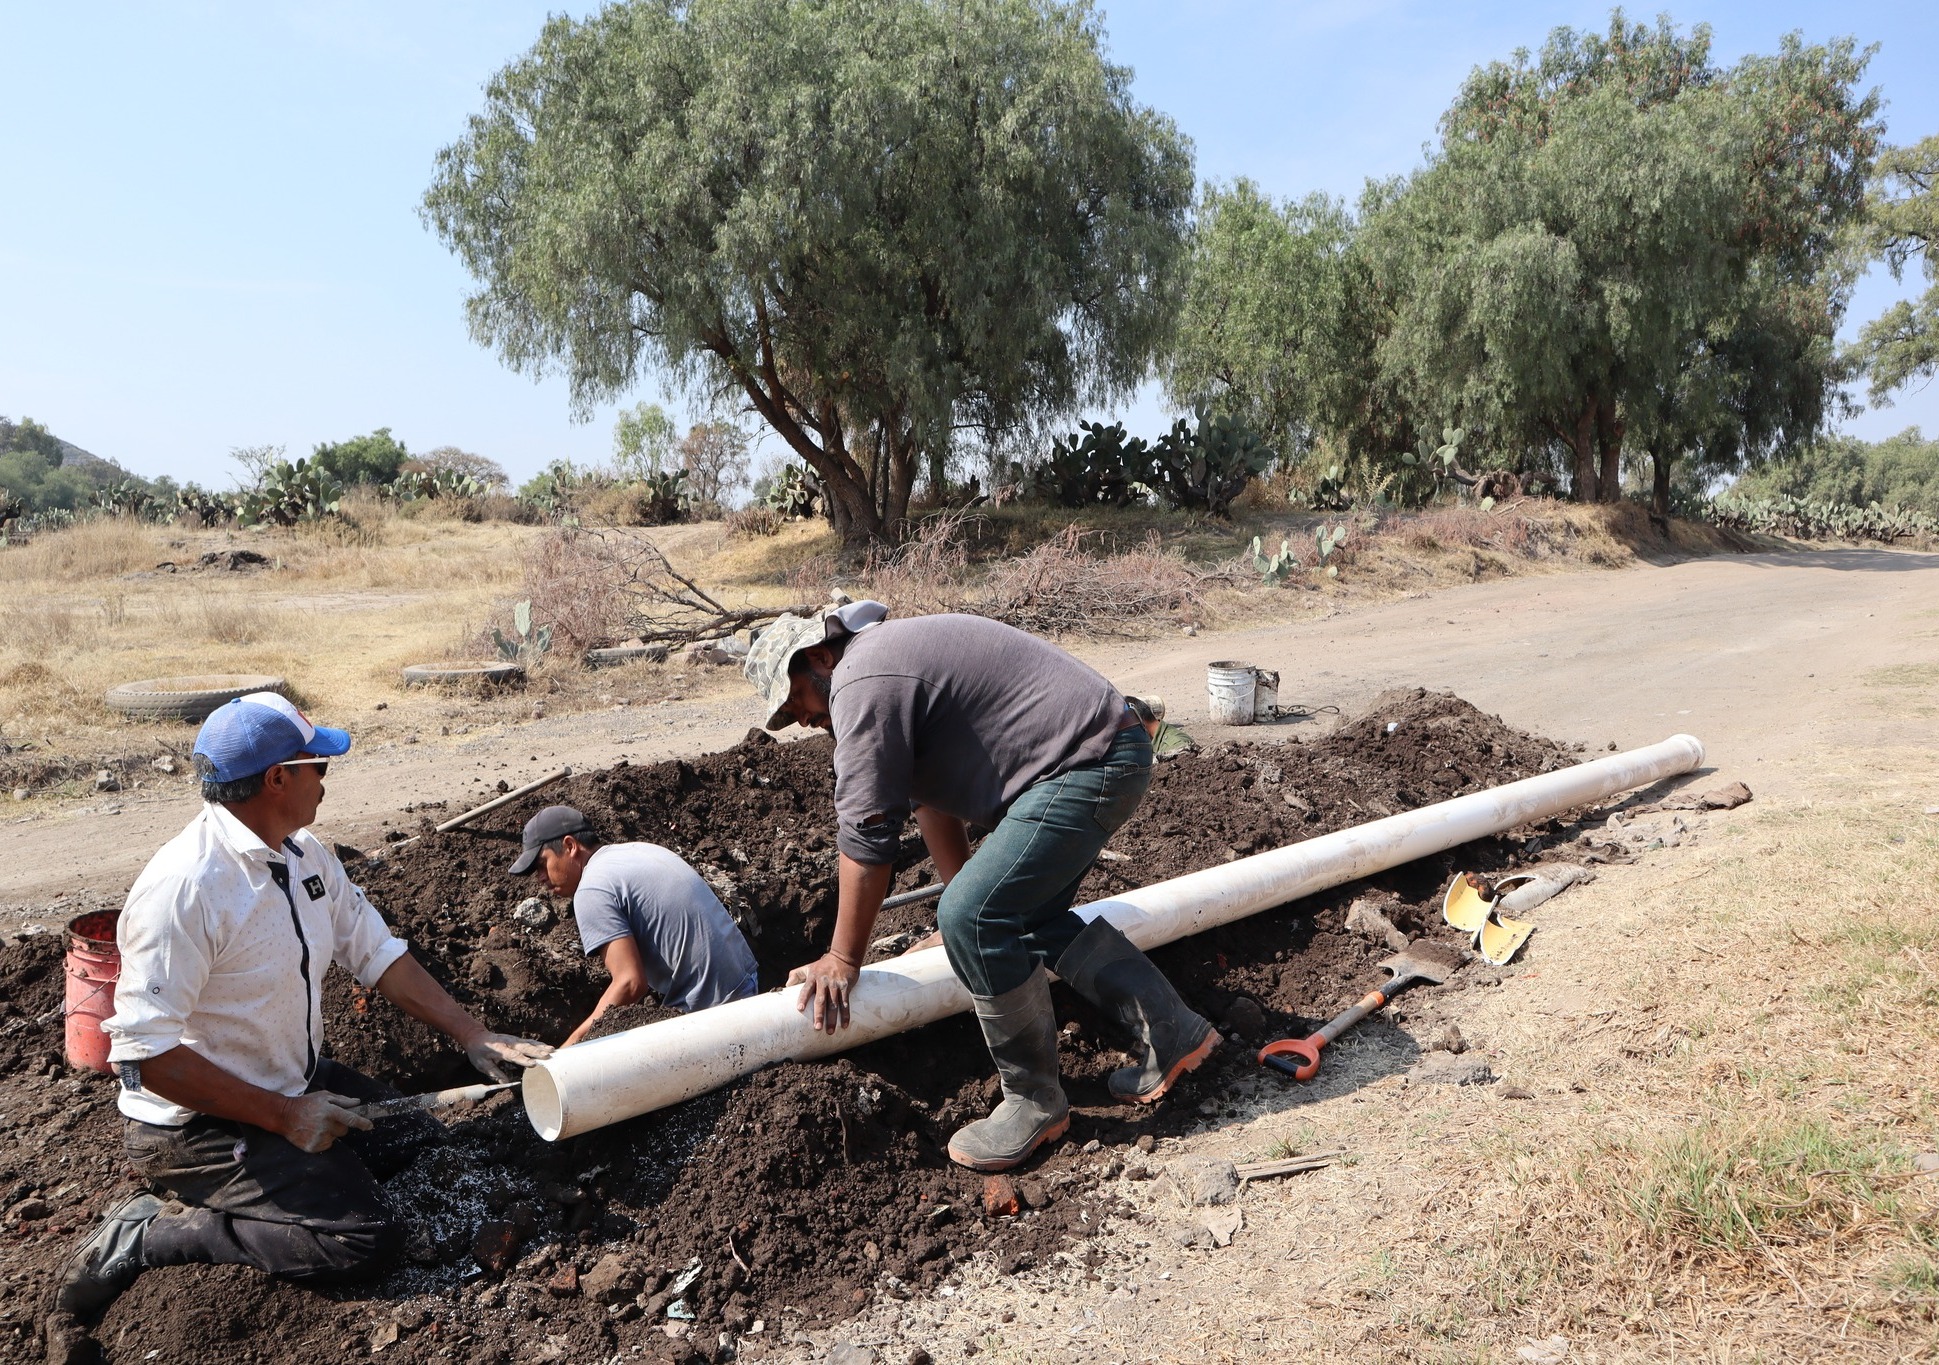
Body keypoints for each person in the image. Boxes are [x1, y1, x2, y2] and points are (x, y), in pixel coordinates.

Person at [49, 693, 553, 1347]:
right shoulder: (187, 888)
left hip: (290, 1077)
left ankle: (281, 1152)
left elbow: (375, 953)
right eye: (319, 764)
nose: (325, 778)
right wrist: (285, 1117)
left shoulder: (306, 857)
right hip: (195, 1126)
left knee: (419, 1143)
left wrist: (471, 1032)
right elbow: (143, 1055)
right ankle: (153, 1230)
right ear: (278, 778)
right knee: (361, 1239)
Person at [743, 603, 1219, 1173]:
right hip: (1103, 752)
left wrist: (843, 959)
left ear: (820, 657)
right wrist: (967, 902)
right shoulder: (885, 668)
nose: (798, 718)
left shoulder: (861, 680)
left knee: (971, 915)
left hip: (1084, 764)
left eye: (795, 699)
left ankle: (1034, 1101)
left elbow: (868, 833)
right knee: (1010, 917)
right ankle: (1174, 1032)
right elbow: (929, 806)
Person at [509, 805, 760, 1044]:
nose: (541, 878)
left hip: (714, 1016)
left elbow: (630, 983)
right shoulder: (638, 850)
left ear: (570, 846)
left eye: (542, 865)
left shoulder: (592, 888)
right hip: (747, 985)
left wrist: (573, 1045)